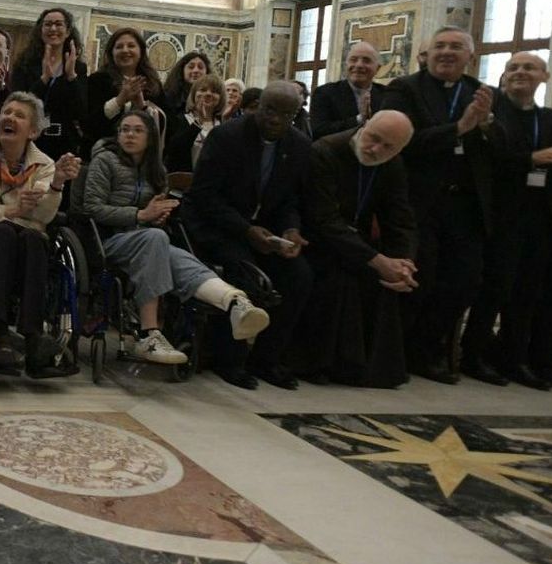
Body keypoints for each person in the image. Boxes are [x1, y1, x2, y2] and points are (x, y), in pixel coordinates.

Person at [82, 111, 269, 365]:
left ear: (150, 137)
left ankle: (235, 302)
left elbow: (152, 215)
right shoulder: (104, 161)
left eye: (137, 130)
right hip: (109, 239)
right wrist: (140, 215)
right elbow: (92, 208)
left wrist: (158, 215)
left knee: (180, 258)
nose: (129, 135)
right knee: (156, 239)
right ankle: (149, 333)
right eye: (125, 130)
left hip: (146, 238)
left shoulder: (156, 168)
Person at [460, 54, 552, 388]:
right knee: (494, 290)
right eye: (513, 68)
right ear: (504, 77)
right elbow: (487, 160)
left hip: (541, 219)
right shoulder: (492, 115)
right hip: (499, 216)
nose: (520, 72)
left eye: (529, 68)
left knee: (527, 293)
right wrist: (530, 159)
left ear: (544, 76)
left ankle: (513, 358)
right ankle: (473, 355)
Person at [382, 28, 505, 384]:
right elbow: (400, 140)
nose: (447, 52)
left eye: (456, 47)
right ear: (427, 54)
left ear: (471, 56)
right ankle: (401, 352)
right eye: (440, 46)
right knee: (421, 278)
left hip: (465, 206)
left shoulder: (481, 93)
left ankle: (427, 348)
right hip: (418, 203)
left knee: (465, 281)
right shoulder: (404, 89)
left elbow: (502, 148)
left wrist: (487, 123)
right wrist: (459, 128)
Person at [180, 81, 314, 390]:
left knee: (299, 276)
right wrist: (246, 230)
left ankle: (267, 359)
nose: (275, 119)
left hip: (265, 231)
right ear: (257, 107)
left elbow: (290, 199)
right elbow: (204, 197)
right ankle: (230, 359)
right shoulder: (227, 137)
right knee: (246, 275)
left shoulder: (299, 146)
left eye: (285, 114)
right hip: (217, 226)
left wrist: (291, 229)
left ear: (295, 116)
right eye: (269, 110)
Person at [0, 92, 83, 375]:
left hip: (26, 237)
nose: (9, 118)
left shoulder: (44, 165)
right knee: (5, 233)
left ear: (33, 131)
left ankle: (33, 337)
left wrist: (57, 184)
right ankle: (0, 336)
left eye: (19, 115)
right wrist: (11, 211)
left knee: (35, 238)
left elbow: (43, 216)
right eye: (6, 112)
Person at [293, 112, 417, 387]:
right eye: (374, 139)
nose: (376, 150)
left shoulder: (392, 164)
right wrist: (376, 260)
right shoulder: (325, 151)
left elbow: (399, 217)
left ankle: (370, 369)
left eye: (388, 147)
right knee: (342, 278)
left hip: (356, 242)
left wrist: (403, 263)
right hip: (318, 238)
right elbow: (323, 219)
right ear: (364, 126)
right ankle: (320, 363)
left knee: (388, 281)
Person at [10, 8, 89, 160]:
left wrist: (71, 77)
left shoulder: (78, 68)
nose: (53, 28)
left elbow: (81, 112)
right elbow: (19, 104)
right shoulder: (24, 64)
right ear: (41, 31)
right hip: (30, 140)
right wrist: (44, 79)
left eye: (58, 24)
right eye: (48, 24)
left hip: (64, 143)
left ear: (68, 31)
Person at [86, 27, 165, 144]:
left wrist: (141, 106)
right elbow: (89, 123)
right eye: (119, 47)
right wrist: (120, 99)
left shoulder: (152, 83)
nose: (125, 50)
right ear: (111, 53)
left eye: (131, 46)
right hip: (104, 149)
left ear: (141, 51)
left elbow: (164, 125)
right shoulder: (97, 80)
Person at [310, 42, 382, 139]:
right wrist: (359, 119)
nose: (359, 65)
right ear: (346, 65)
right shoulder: (325, 93)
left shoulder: (386, 94)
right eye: (353, 60)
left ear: (378, 68)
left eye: (366, 61)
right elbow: (318, 130)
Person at [164, 74, 227, 172]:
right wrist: (198, 122)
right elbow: (174, 151)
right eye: (203, 90)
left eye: (214, 91)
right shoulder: (179, 120)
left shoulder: (223, 125)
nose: (208, 94)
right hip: (184, 178)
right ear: (194, 94)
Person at [160, 51, 212, 127]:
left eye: (200, 67)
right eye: (191, 67)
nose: (196, 70)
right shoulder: (168, 97)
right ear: (182, 70)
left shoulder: (213, 97)